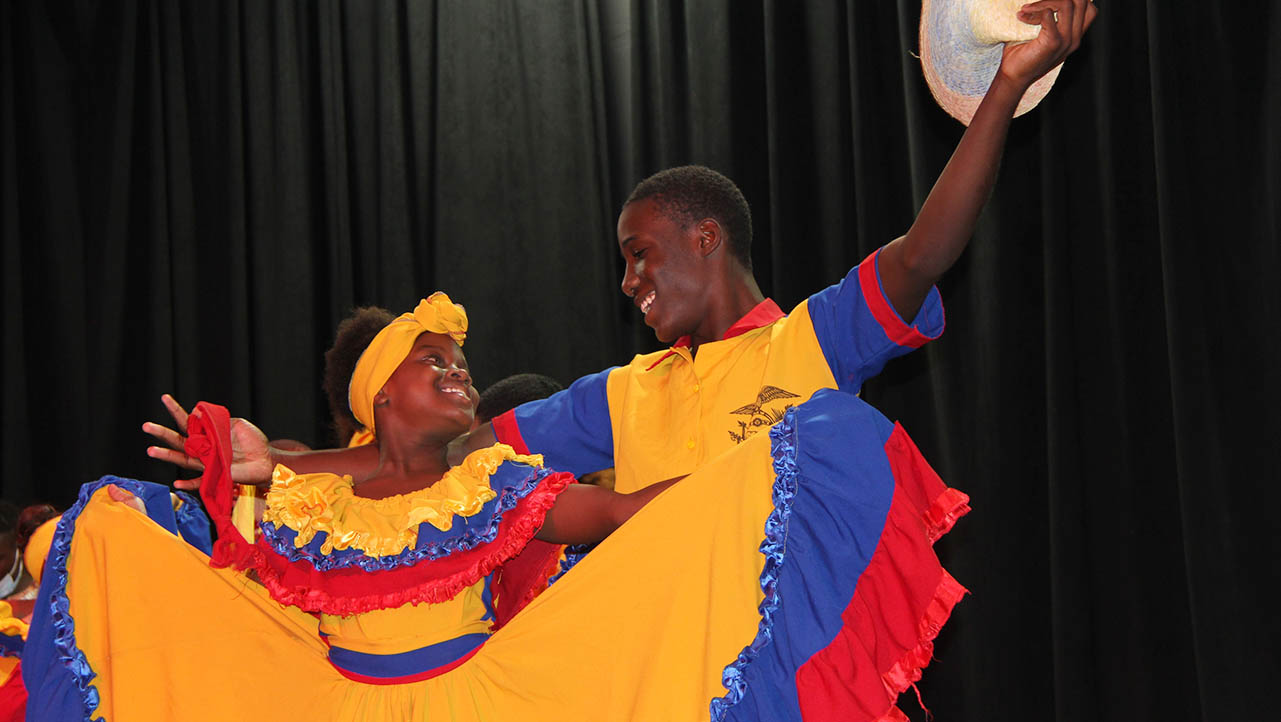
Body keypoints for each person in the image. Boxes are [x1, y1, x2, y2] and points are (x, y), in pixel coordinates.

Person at [137, 5, 1095, 719]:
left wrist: (1002, 87)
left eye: (640, 253)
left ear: (706, 236)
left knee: (828, 436)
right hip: (666, 682)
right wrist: (284, 465)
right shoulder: (620, 396)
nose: (628, 281)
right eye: (621, 264)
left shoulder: (812, 338)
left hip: (777, 676)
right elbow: (438, 455)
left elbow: (925, 251)